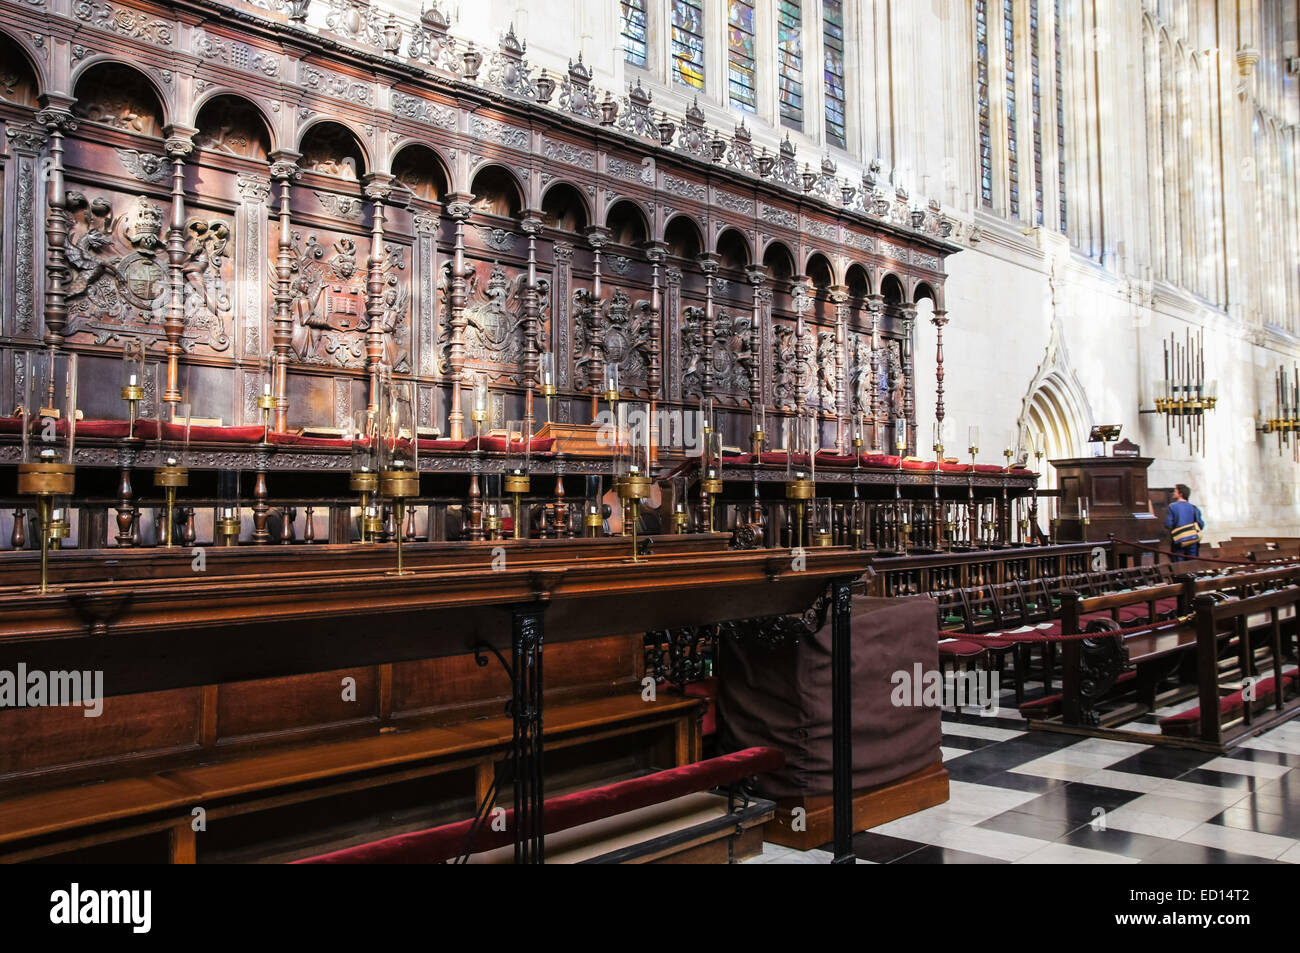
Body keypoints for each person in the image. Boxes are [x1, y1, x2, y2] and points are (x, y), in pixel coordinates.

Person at [1165, 484, 1204, 562]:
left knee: (1179, 567)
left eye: (1175, 491)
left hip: (1179, 541)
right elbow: (1201, 524)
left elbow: (1168, 524)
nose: (1173, 493)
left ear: (1180, 494)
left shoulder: (1172, 506)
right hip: (1192, 540)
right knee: (1192, 565)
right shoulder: (1194, 508)